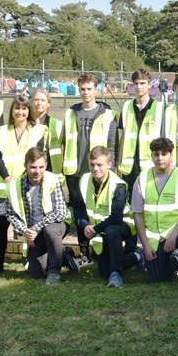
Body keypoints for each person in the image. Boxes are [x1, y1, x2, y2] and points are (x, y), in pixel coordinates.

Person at [63, 73, 119, 265]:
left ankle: (100, 252)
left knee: (99, 212)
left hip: (98, 174)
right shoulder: (70, 113)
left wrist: (110, 171)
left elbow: (112, 145)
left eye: (89, 89)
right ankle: (84, 252)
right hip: (76, 172)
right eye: (82, 89)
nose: (86, 92)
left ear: (96, 90)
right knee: (80, 213)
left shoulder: (107, 114)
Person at [131, 138, 178, 285]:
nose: (160, 158)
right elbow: (137, 214)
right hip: (155, 237)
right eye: (156, 154)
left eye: (164, 154)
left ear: (171, 156)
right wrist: (145, 245)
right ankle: (177, 260)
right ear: (151, 156)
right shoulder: (142, 178)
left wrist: (173, 235)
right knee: (157, 280)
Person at [0, 95, 46, 275]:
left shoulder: (38, 130)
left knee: (29, 225)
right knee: (0, 227)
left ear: (29, 111)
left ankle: (31, 261)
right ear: (11, 111)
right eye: (16, 108)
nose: (20, 112)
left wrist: (23, 178)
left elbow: (38, 157)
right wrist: (6, 177)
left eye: (24, 108)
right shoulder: (1, 130)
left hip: (26, 186)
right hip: (4, 188)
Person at [0, 148, 68, 285]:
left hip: (55, 226)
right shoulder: (14, 186)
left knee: (50, 231)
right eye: (33, 167)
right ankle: (64, 256)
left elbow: (60, 212)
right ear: (25, 166)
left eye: (41, 167)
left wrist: (36, 228)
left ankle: (54, 272)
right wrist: (25, 231)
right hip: (33, 234)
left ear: (46, 165)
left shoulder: (53, 180)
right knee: (37, 274)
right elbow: (11, 214)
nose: (37, 171)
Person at [78, 146, 139, 288]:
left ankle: (116, 275)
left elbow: (117, 218)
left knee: (112, 230)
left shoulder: (118, 184)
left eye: (100, 165)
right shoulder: (84, 180)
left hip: (122, 226)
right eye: (92, 165)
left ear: (109, 165)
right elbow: (79, 210)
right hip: (100, 229)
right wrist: (85, 225)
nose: (95, 168)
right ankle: (137, 257)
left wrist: (95, 229)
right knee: (104, 273)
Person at [118, 68, 165, 189]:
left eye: (142, 83)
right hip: (129, 169)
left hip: (151, 167)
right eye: (136, 83)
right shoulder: (127, 107)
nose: (139, 86)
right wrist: (118, 164)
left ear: (150, 85)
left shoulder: (160, 108)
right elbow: (123, 137)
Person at [29, 88, 64, 175]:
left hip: (51, 172)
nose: (39, 103)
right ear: (31, 102)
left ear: (48, 103)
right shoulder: (24, 124)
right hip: (28, 172)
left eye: (43, 100)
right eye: (36, 100)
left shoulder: (57, 125)